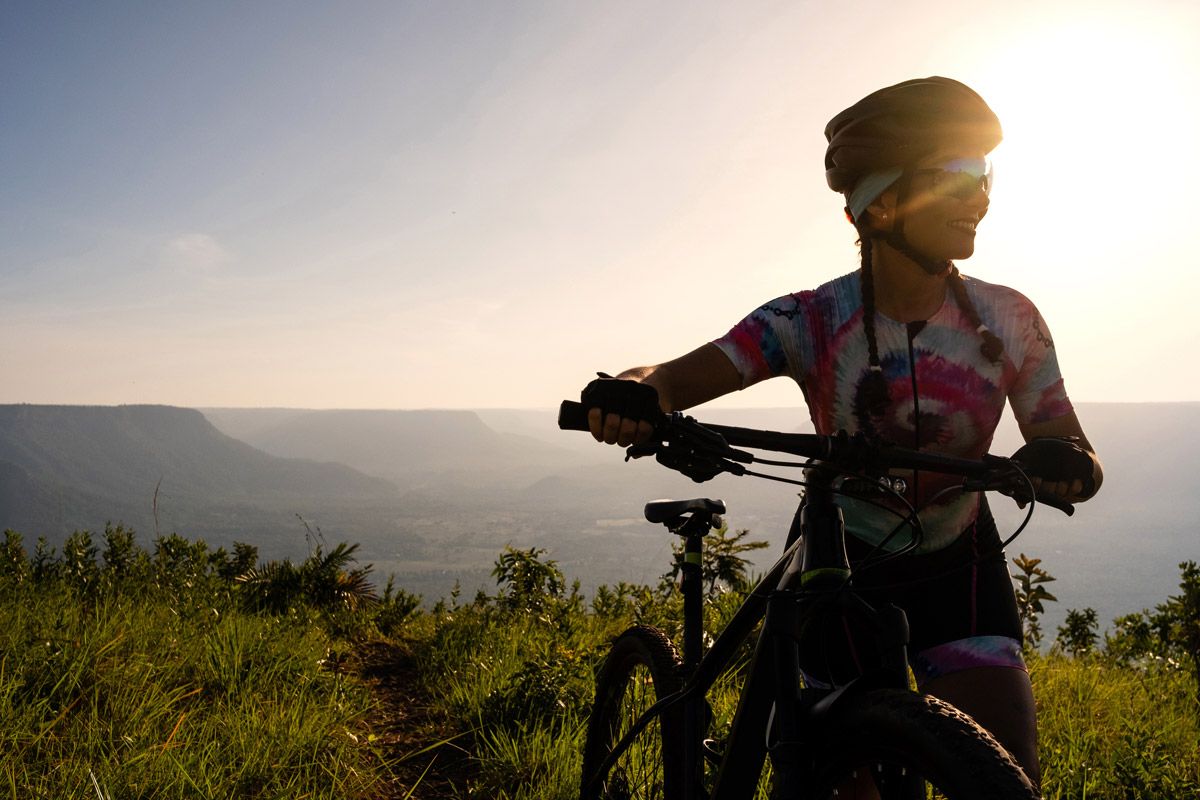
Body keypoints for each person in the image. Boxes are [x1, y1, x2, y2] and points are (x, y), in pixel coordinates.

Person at [578, 76, 1103, 791]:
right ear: (881, 202)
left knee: (1008, 778)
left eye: (985, 175)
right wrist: (633, 391)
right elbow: (671, 376)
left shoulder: (1010, 319)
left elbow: (1070, 444)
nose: (980, 196)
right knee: (838, 775)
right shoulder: (812, 319)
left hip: (962, 565)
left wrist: (1065, 459)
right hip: (841, 565)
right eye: (957, 174)